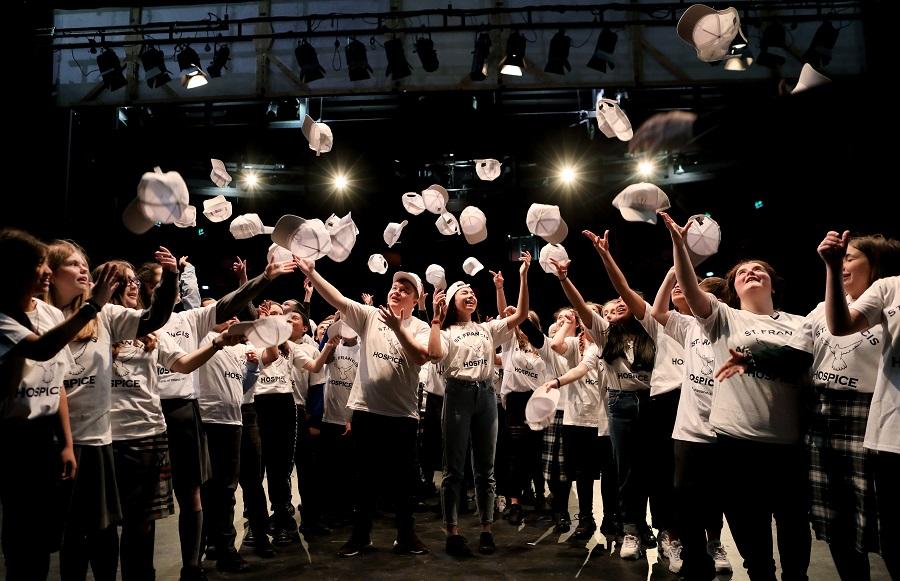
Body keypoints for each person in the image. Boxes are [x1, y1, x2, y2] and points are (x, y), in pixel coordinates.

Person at [662, 212, 813, 581]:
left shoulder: (800, 323)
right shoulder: (725, 319)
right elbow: (690, 290)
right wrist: (681, 248)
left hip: (788, 448)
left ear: (773, 284)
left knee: (795, 543)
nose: (751, 272)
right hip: (736, 448)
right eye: (743, 271)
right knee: (756, 554)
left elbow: (796, 364)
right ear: (733, 286)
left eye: (759, 269)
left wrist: (750, 358)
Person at [44, 240, 180, 581]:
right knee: (68, 538)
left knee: (103, 534)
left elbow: (154, 317)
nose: (83, 269)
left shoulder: (107, 314)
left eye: (84, 263)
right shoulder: (43, 315)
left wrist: (171, 279)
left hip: (98, 440)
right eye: (73, 264)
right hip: (55, 440)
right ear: (50, 271)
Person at [0, 228, 117, 581]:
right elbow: (40, 349)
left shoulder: (50, 314)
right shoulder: (3, 317)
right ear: (16, 269)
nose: (47, 270)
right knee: (22, 542)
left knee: (47, 538)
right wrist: (94, 305)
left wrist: (66, 443)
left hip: (46, 440)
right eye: (39, 262)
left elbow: (57, 385)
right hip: (13, 438)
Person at [295, 258, 431, 558]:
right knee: (364, 479)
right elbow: (338, 299)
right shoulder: (370, 315)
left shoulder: (420, 327)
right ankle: (360, 536)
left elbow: (422, 357)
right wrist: (312, 273)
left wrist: (397, 328)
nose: (397, 291)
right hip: (367, 412)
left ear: (416, 298)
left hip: (403, 414)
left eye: (405, 289)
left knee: (403, 483)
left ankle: (406, 536)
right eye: (395, 286)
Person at [428, 252, 531, 556]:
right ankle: (453, 532)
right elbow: (434, 354)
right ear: (450, 301)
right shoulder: (446, 331)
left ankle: (487, 529)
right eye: (463, 292)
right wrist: (434, 318)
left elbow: (521, 315)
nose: (470, 295)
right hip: (458, 394)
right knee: (454, 469)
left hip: (486, 394)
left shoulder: (487, 329)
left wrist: (523, 276)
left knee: (486, 469)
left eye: (472, 292)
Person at [818, 230, 900, 581]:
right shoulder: (889, 289)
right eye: (845, 257)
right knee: (847, 523)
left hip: (867, 411)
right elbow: (833, 331)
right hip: (873, 427)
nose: (845, 263)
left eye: (852, 258)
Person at [650, 269, 732, 578]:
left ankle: (715, 543)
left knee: (716, 495)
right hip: (686, 422)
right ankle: (694, 555)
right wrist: (671, 274)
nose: (689, 293)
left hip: (723, 424)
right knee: (682, 493)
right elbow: (658, 311)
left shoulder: (730, 324)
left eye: (698, 291)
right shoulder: (688, 326)